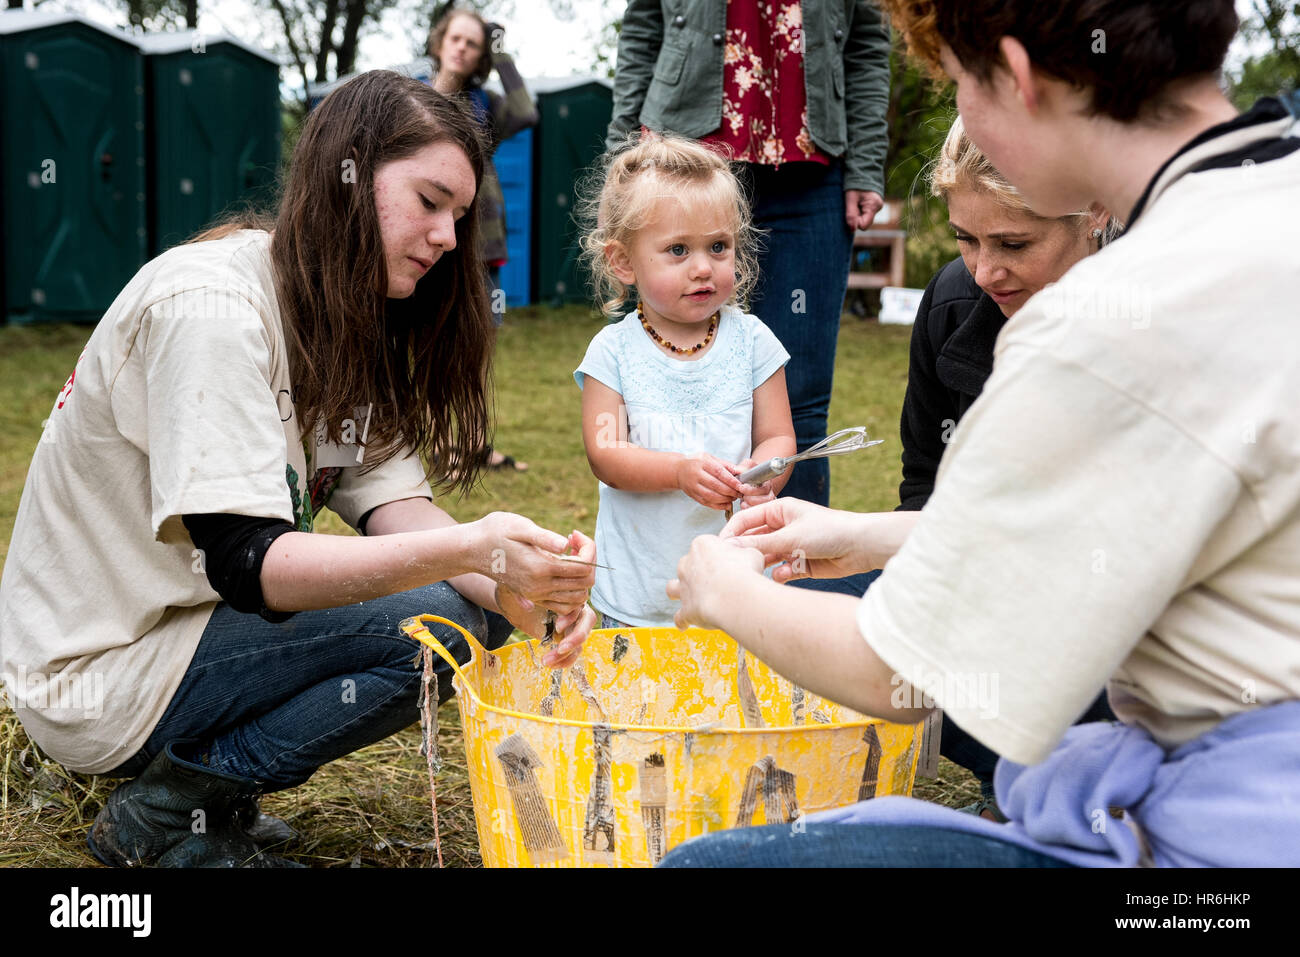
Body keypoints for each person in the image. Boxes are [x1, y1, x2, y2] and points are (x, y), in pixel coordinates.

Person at [663, 0, 1300, 866]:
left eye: (960, 85)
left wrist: (721, 589)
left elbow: (901, 671)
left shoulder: (1106, 325)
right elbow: (1124, 525)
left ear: (1016, 75)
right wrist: (863, 534)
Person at [0, 71, 596, 868]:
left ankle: (203, 802)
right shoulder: (209, 310)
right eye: (429, 200)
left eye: (458, 213)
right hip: (101, 671)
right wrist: (471, 551)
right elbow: (253, 564)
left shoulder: (342, 317)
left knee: (468, 613)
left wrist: (522, 588)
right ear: (345, 175)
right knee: (435, 620)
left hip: (184, 635)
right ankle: (173, 809)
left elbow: (399, 511)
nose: (452, 237)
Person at [607, 0, 891, 507]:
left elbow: (868, 41)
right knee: (654, 393)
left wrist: (866, 163)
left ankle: (792, 570)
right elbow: (643, 29)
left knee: (799, 397)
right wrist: (622, 161)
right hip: (681, 163)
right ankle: (653, 569)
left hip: (811, 168)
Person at [575, 134, 795, 628]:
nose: (703, 267)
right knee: (636, 705)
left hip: (734, 585)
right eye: (678, 250)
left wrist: (762, 476)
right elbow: (606, 454)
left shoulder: (754, 341)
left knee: (730, 704)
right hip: (637, 597)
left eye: (718, 246)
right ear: (624, 262)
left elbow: (778, 436)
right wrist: (679, 471)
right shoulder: (612, 353)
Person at [428, 5, 538, 472]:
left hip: (481, 247)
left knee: (476, 349)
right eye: (457, 38)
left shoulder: (484, 107)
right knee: (433, 343)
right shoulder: (409, 97)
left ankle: (474, 445)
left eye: (473, 44)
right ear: (439, 41)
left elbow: (527, 111)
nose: (462, 48)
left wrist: (502, 51)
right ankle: (438, 445)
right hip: (429, 243)